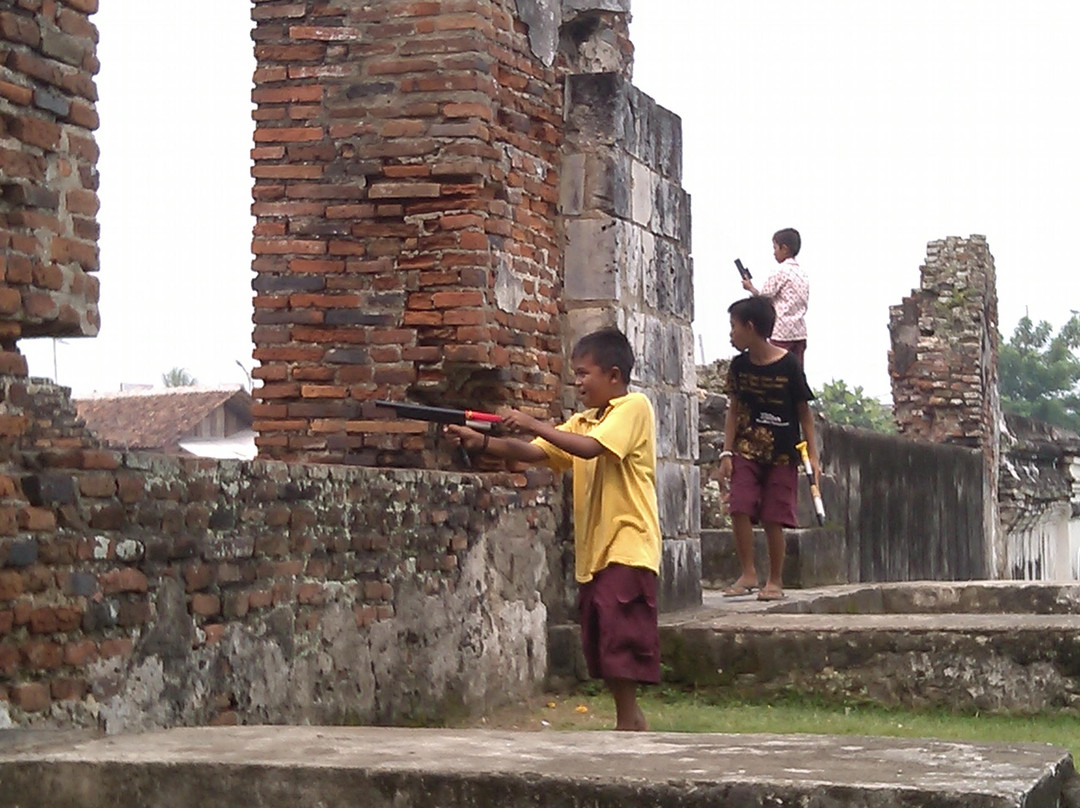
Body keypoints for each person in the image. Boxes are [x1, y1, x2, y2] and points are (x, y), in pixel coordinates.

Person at [444, 327, 660, 731]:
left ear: (614, 376)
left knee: (620, 634)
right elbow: (537, 453)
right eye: (576, 374)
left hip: (628, 542)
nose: (578, 383)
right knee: (601, 637)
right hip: (596, 547)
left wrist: (531, 422)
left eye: (584, 374)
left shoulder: (634, 407)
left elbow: (590, 448)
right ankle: (629, 720)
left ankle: (629, 721)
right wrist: (482, 443)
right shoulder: (584, 421)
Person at [719, 295, 819, 601]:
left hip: (782, 453)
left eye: (734, 327)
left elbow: (805, 414)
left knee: (774, 516)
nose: (731, 334)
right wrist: (726, 452)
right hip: (746, 449)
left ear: (750, 327)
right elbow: (733, 410)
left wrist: (812, 456)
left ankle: (774, 580)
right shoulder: (739, 367)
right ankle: (748, 572)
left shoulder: (789, 365)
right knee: (739, 505)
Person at [742, 227, 809, 363]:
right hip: (800, 332)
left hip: (781, 332)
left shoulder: (780, 271)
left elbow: (763, 297)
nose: (774, 253)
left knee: (776, 369)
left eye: (775, 248)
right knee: (796, 372)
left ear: (784, 248)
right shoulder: (803, 274)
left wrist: (750, 288)